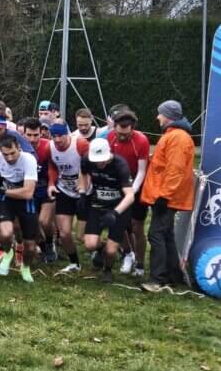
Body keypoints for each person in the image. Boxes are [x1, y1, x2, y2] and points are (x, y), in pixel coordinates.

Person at [140, 100, 194, 293]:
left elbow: (175, 169)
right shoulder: (174, 135)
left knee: (155, 234)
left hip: (166, 197)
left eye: (160, 114)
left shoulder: (177, 138)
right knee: (167, 235)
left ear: (169, 116)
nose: (157, 117)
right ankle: (173, 275)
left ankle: (157, 279)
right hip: (165, 195)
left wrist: (164, 196)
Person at [81, 138, 135, 284]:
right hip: (97, 205)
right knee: (89, 244)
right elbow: (83, 173)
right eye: (96, 161)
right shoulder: (86, 160)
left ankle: (107, 270)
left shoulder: (120, 165)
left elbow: (130, 196)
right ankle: (100, 249)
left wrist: (115, 213)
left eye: (103, 160)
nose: (100, 164)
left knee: (111, 251)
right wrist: (83, 192)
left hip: (119, 207)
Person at [0, 134, 39, 283]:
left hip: (24, 200)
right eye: (5, 154)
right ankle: (8, 252)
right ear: (0, 151)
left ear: (19, 148)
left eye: (12, 153)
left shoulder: (29, 160)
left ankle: (25, 267)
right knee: (5, 234)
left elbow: (28, 192)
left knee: (30, 246)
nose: (9, 158)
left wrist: (2, 191)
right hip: (7, 199)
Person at [106, 108, 150, 276]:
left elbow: (141, 170)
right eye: (119, 133)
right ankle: (127, 253)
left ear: (133, 129)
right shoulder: (110, 137)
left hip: (136, 185)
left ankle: (140, 263)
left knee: (137, 226)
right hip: (118, 184)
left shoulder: (141, 140)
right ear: (114, 127)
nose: (122, 137)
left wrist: (133, 190)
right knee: (118, 221)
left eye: (126, 134)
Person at [47, 122, 90, 273]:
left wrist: (84, 186)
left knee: (82, 237)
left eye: (61, 136)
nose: (57, 140)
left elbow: (90, 167)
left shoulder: (81, 144)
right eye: (54, 136)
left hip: (84, 193)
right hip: (64, 191)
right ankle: (74, 263)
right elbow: (52, 166)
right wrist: (51, 184)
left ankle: (102, 249)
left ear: (68, 134)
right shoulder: (50, 147)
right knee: (64, 233)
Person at [20, 117, 57, 263]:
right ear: (23, 134)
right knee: (32, 222)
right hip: (29, 190)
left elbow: (54, 167)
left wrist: (52, 184)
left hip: (46, 188)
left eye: (36, 135)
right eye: (29, 135)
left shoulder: (48, 146)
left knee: (44, 221)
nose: (32, 139)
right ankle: (41, 244)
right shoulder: (19, 148)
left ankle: (50, 244)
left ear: (41, 133)